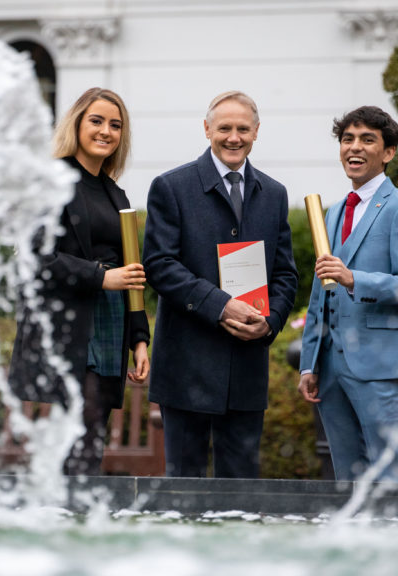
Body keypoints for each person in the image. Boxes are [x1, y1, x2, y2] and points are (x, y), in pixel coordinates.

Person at [142, 90, 298, 478]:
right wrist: (221, 305)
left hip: (246, 367)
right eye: (224, 128)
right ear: (207, 129)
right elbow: (159, 265)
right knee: (184, 490)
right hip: (186, 366)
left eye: (243, 129)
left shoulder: (274, 193)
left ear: (256, 132)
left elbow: (285, 274)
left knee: (241, 490)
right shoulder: (171, 186)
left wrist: (271, 322)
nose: (234, 137)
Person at [9, 87, 150, 476]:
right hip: (70, 324)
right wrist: (100, 276)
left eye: (115, 125)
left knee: (93, 424)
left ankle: (73, 503)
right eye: (97, 121)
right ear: (77, 124)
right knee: (82, 424)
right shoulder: (51, 182)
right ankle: (69, 504)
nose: (106, 131)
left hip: (111, 321)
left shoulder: (116, 193)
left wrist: (140, 339)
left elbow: (131, 270)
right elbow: (34, 257)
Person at [298, 105, 398, 482]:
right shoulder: (334, 212)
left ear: (388, 152)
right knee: (347, 475)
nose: (354, 147)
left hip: (379, 366)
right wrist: (309, 362)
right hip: (330, 367)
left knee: (392, 472)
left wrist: (354, 279)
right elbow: (319, 293)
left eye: (367, 140)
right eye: (347, 139)